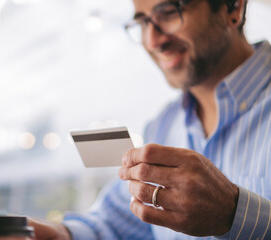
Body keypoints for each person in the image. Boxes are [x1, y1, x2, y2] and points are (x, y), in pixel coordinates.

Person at [28, 0, 271, 239]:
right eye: (143, 23)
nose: (153, 41)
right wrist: (54, 234)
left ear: (233, 7)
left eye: (169, 12)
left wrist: (234, 213)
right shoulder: (162, 126)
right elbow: (116, 224)